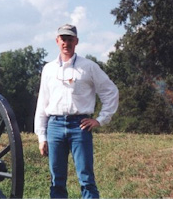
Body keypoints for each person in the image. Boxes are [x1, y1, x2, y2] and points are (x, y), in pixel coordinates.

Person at [34, 24, 119, 199]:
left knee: (86, 179)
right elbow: (42, 103)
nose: (66, 43)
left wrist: (100, 119)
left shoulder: (88, 66)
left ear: (76, 41)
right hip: (54, 126)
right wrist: (42, 136)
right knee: (56, 180)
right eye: (63, 39)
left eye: (70, 39)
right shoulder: (49, 69)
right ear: (57, 41)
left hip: (80, 126)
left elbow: (110, 91)